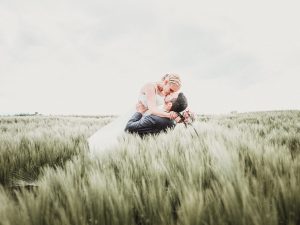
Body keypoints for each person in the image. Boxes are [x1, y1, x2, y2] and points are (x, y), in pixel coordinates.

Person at [88, 73, 182, 155]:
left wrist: (180, 116)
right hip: (136, 114)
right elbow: (153, 109)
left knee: (133, 141)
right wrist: (170, 115)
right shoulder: (150, 86)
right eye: (171, 90)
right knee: (120, 136)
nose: (171, 93)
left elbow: (166, 106)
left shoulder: (164, 92)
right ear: (165, 81)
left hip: (147, 118)